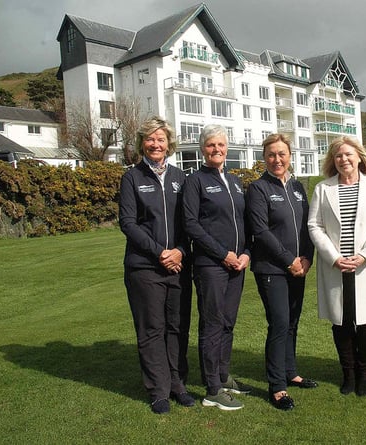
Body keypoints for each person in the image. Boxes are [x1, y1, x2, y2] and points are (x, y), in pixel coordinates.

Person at [119, 116, 194, 414]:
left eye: (160, 139)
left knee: (177, 327)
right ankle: (158, 390)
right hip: (144, 267)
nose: (155, 144)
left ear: (169, 144)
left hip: (178, 265)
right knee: (152, 329)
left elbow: (189, 222)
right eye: (150, 139)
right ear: (142, 143)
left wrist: (178, 251)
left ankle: (178, 384)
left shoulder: (180, 178)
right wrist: (160, 252)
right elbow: (128, 222)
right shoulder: (132, 178)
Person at [308, 136, 366, 396]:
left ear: (359, 157)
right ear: (333, 161)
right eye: (338, 156)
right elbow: (315, 225)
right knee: (341, 322)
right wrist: (333, 256)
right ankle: (349, 373)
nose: (344, 159)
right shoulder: (323, 189)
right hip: (336, 265)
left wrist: (365, 255)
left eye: (348, 154)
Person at [183, 124, 252, 411]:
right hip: (211, 264)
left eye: (221, 145)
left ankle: (223, 376)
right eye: (211, 145)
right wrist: (223, 254)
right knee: (212, 324)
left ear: (227, 148)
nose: (217, 150)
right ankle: (212, 388)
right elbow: (191, 224)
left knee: (228, 322)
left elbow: (245, 222)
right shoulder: (196, 181)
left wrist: (246, 252)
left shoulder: (235, 182)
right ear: (203, 149)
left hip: (237, 265)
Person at [246, 134, 317, 411]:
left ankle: (291, 371)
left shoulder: (298, 187)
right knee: (278, 324)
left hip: (298, 268)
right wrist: (290, 260)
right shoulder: (258, 189)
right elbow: (261, 231)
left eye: (282, 154)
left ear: (290, 156)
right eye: (272, 155)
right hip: (272, 269)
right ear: (265, 158)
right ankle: (277, 386)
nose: (277, 159)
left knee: (292, 323)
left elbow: (308, 226)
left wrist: (307, 258)